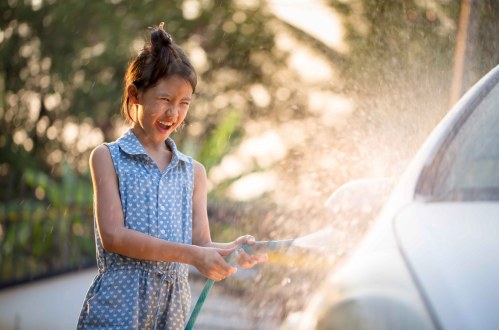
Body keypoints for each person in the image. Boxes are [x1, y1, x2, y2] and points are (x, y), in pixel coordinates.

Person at [77, 22, 267, 329]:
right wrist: (192, 255)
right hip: (120, 310)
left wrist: (233, 250)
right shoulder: (108, 157)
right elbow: (113, 237)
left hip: (172, 313)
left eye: (184, 104)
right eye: (165, 100)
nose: (174, 113)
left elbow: (200, 244)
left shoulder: (193, 173)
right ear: (134, 95)